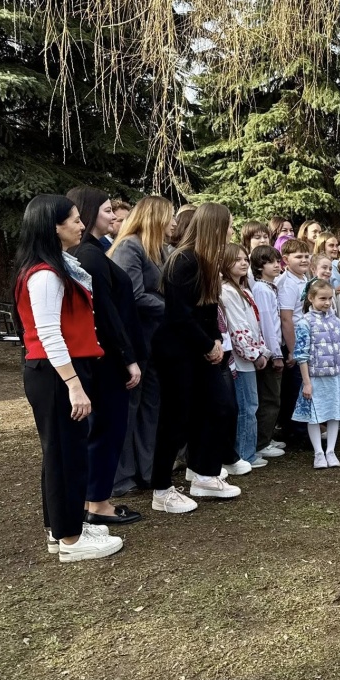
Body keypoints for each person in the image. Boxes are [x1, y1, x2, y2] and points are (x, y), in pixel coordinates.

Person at [14, 194, 124, 561]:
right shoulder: (45, 274)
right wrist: (73, 384)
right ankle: (71, 541)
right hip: (56, 372)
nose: (81, 225)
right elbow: (49, 333)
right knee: (66, 456)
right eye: (75, 220)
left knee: (62, 453)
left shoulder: (57, 266)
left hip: (60, 370)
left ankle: (61, 527)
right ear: (54, 227)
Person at [151, 202, 241, 510]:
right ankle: (161, 489)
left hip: (199, 349)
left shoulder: (206, 260)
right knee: (175, 419)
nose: (231, 231)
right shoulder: (184, 260)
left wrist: (215, 340)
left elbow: (208, 309)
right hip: (177, 352)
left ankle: (204, 473)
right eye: (229, 226)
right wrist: (207, 345)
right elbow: (179, 315)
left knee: (219, 407)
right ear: (216, 227)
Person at [66, 187, 144, 526]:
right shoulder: (90, 255)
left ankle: (94, 498)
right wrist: (128, 357)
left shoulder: (93, 251)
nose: (114, 216)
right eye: (108, 210)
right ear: (89, 212)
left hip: (105, 355)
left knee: (104, 430)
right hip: (107, 357)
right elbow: (106, 312)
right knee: (107, 430)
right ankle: (99, 503)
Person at [107, 196, 171, 496]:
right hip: (136, 340)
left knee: (151, 406)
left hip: (156, 339)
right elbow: (131, 296)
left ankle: (148, 470)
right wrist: (171, 308)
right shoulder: (129, 247)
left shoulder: (158, 249)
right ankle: (121, 476)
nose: (173, 223)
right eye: (169, 216)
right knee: (130, 408)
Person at [293, 280, 340, 468]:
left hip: (335, 377)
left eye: (330, 298)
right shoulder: (305, 323)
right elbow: (301, 355)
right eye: (322, 298)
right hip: (315, 377)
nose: (327, 303)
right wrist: (307, 382)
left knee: (334, 413)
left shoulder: (336, 321)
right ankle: (318, 453)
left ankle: (331, 450)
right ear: (311, 298)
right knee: (315, 414)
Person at [221, 243, 271, 470]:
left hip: (250, 357)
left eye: (245, 259)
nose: (243, 263)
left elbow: (254, 326)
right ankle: (243, 454)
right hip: (240, 361)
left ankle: (247, 451)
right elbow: (237, 328)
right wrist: (254, 354)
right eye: (237, 259)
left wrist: (262, 351)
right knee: (246, 406)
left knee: (251, 405)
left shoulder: (244, 291)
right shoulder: (227, 292)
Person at [249, 245, 286, 458]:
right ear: (259, 266)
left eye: (277, 261)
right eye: (270, 262)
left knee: (273, 396)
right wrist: (275, 354)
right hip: (270, 351)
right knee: (270, 397)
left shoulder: (270, 287)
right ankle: (261, 443)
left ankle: (266, 436)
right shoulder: (262, 290)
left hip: (273, 348)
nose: (276, 265)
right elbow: (267, 325)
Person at [276, 237, 313, 440]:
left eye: (306, 256)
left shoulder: (304, 279)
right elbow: (286, 319)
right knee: (296, 388)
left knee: (301, 385)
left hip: (305, 339)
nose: (304, 260)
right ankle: (296, 431)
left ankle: (301, 427)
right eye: (298, 256)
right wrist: (292, 350)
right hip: (295, 342)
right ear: (286, 259)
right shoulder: (287, 283)